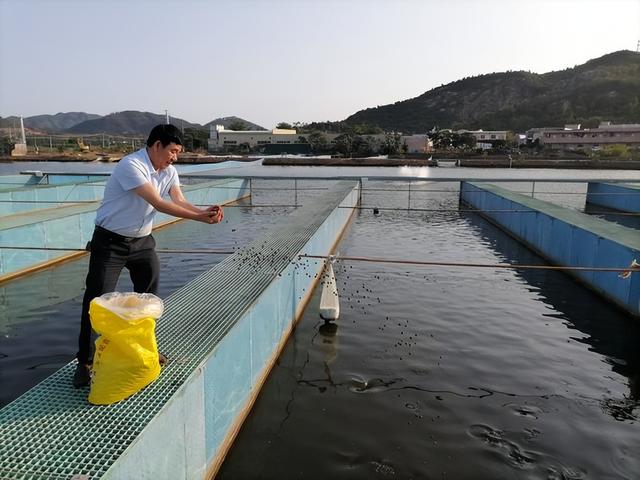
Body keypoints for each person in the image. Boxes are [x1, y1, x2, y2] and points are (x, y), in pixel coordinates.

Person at [73, 124, 224, 387]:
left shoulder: (169, 171)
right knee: (96, 300)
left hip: (142, 242)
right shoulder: (131, 165)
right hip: (110, 243)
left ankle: (145, 349)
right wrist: (200, 218)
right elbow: (159, 203)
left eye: (177, 153)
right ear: (156, 146)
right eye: (172, 151)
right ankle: (85, 363)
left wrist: (203, 210)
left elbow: (178, 199)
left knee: (149, 298)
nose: (174, 157)